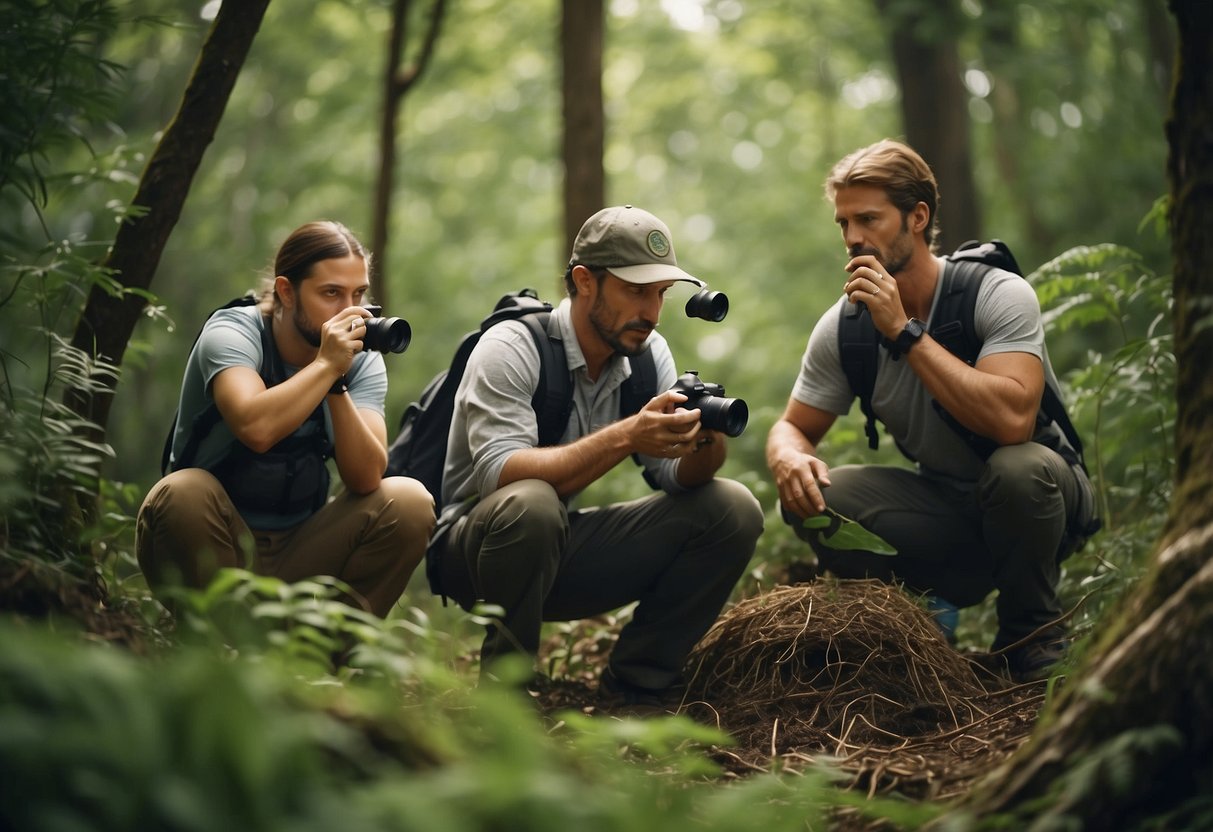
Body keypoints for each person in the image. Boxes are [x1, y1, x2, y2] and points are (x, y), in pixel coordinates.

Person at [766, 140, 1094, 682]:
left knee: (1016, 468)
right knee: (815, 495)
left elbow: (1013, 422)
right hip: (948, 508)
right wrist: (788, 458)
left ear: (917, 217)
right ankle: (921, 620)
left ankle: (1029, 631)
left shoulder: (997, 294)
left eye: (868, 219)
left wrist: (905, 332)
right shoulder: (845, 326)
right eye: (843, 223)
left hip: (1042, 501)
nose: (852, 238)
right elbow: (792, 427)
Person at [432, 205, 764, 706]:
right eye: (636, 291)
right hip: (475, 553)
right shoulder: (511, 346)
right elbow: (501, 476)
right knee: (533, 504)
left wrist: (705, 440)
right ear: (585, 281)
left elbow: (678, 479)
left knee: (732, 508)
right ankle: (504, 702)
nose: (652, 312)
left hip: (555, 552)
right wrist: (627, 435)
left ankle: (637, 689)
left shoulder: (648, 354)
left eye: (661, 294)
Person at [137, 221, 435, 618]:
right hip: (210, 539)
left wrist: (336, 380)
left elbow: (365, 477)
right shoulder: (233, 334)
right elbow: (255, 428)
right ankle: (218, 654)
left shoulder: (358, 360)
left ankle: (324, 663)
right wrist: (326, 365)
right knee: (182, 491)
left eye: (358, 293)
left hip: (301, 550)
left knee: (409, 501)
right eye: (331, 293)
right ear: (286, 291)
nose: (350, 310)